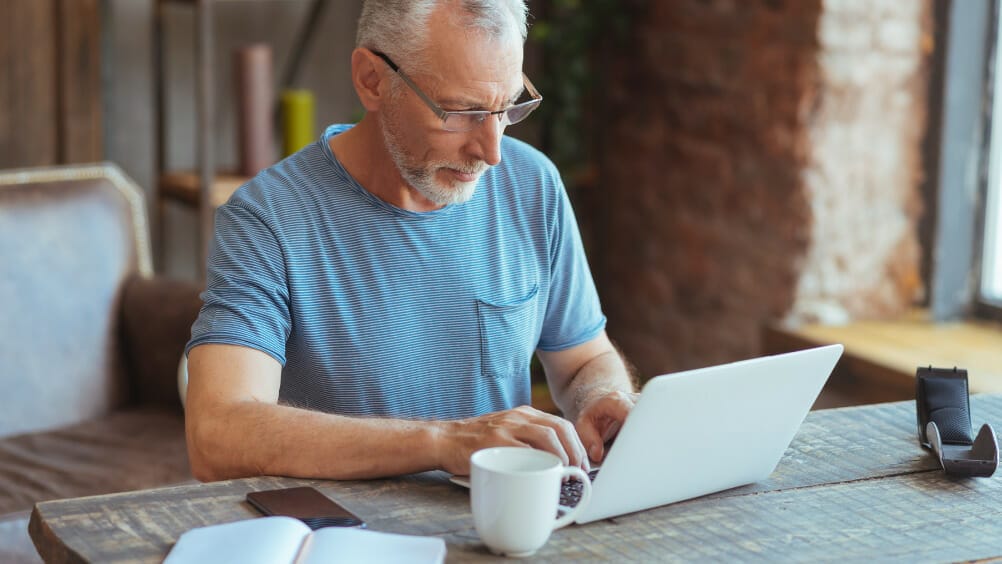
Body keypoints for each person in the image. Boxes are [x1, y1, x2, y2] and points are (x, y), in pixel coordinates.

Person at [184, 0, 637, 482]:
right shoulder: (268, 217)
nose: (492, 152)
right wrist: (443, 442)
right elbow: (218, 434)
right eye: (462, 113)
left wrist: (605, 397)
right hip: (346, 537)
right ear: (372, 80)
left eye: (507, 108)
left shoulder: (534, 185)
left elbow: (584, 358)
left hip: (497, 528)